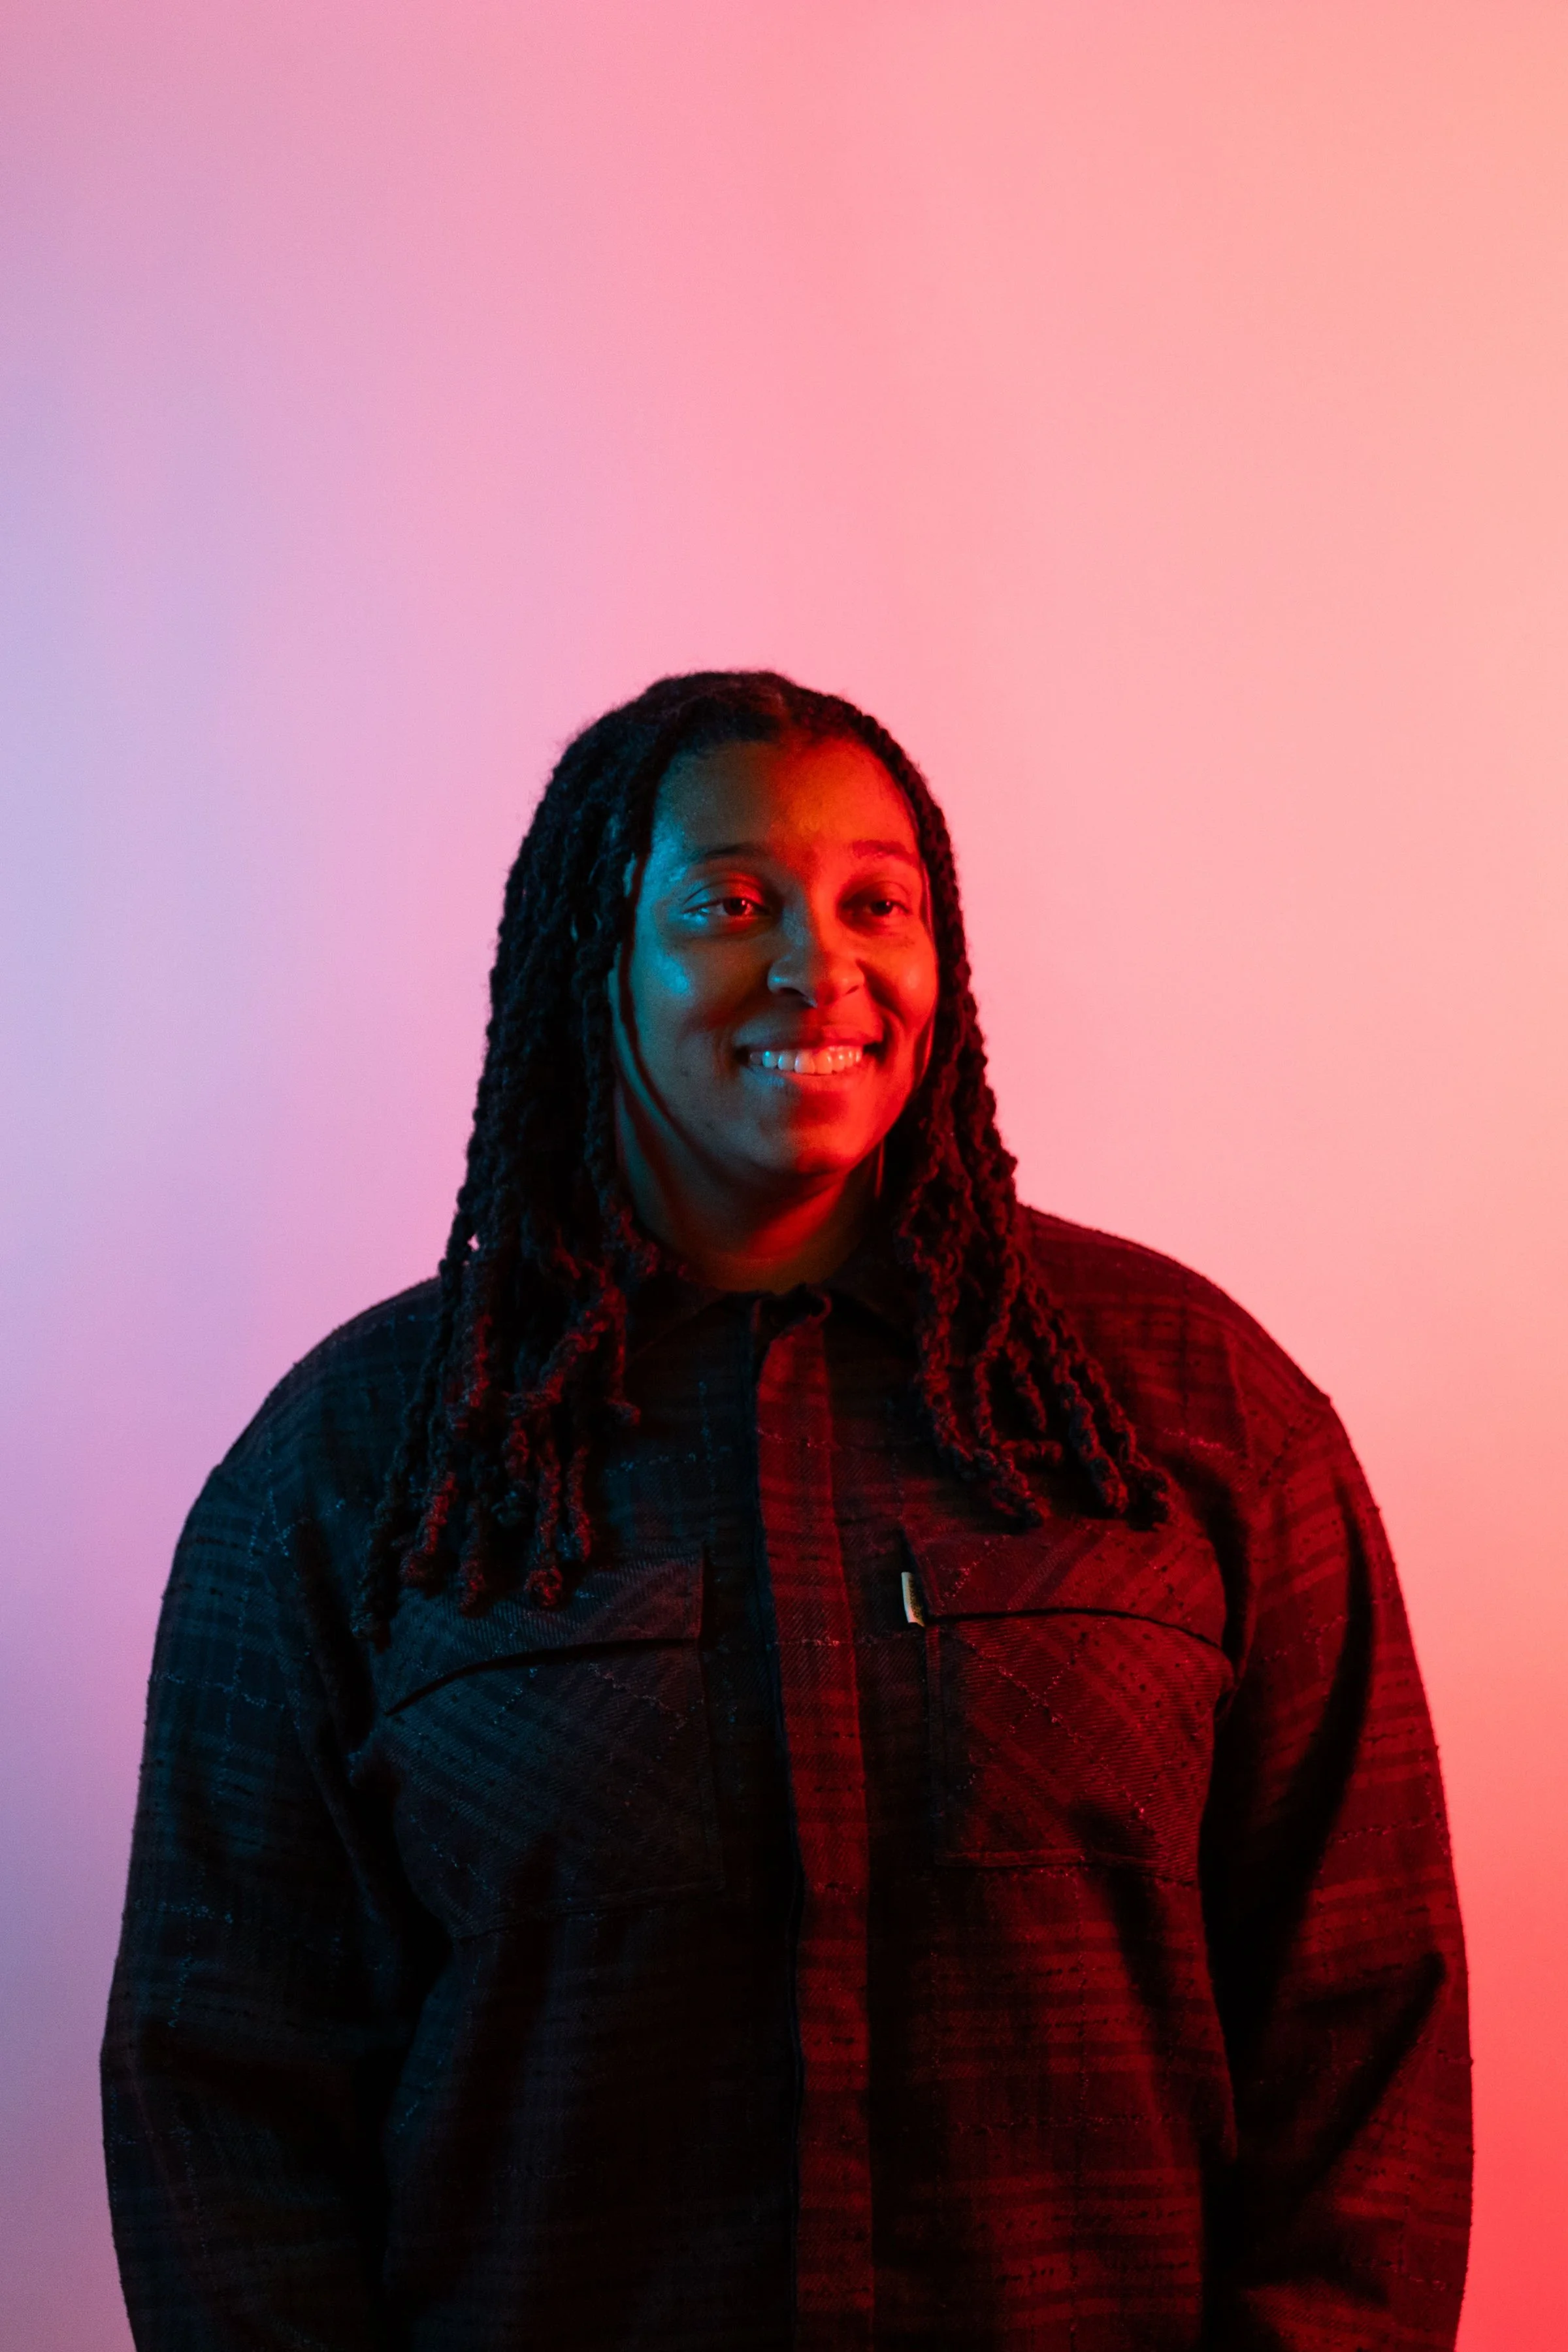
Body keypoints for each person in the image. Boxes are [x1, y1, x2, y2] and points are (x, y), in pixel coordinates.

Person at [103, 671, 1471, 2350]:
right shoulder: (363, 1467)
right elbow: (222, 2091)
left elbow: (1365, 2027)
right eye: (729, 903)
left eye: (875, 903)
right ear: (597, 956)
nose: (820, 967)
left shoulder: (1194, 1417)